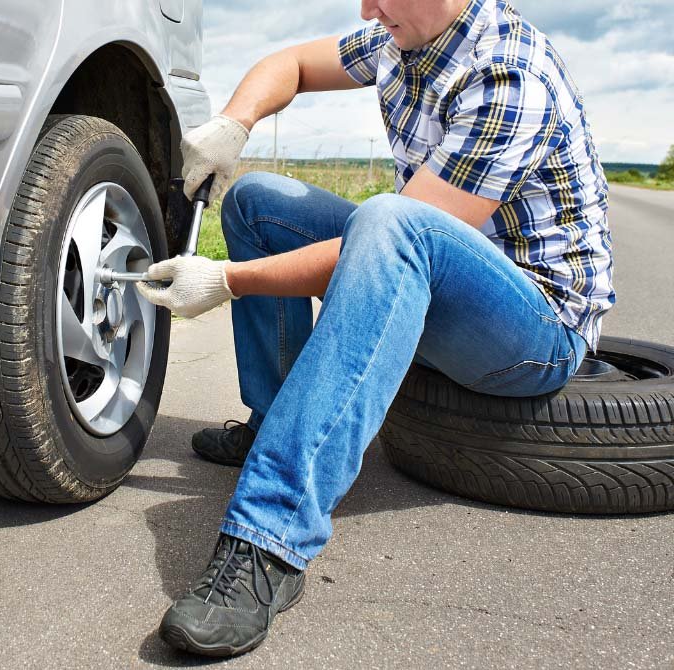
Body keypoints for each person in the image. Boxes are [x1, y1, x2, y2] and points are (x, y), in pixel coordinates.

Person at [136, 0, 614, 658]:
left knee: (392, 223)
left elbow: (392, 244)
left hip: (535, 329)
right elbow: (292, 64)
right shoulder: (403, 34)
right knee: (255, 202)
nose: (367, 6)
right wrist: (234, 123)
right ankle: (275, 422)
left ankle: (270, 540)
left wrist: (226, 281)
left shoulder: (507, 78)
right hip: (439, 276)